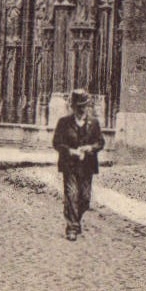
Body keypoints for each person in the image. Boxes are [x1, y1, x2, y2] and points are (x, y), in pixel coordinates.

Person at [52, 88, 105, 240]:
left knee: (85, 198)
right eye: (79, 106)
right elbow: (56, 143)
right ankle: (72, 227)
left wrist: (90, 148)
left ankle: (76, 219)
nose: (82, 109)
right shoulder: (64, 123)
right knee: (71, 195)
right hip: (70, 165)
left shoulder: (93, 123)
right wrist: (70, 151)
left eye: (84, 106)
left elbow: (100, 142)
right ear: (73, 107)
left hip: (87, 166)